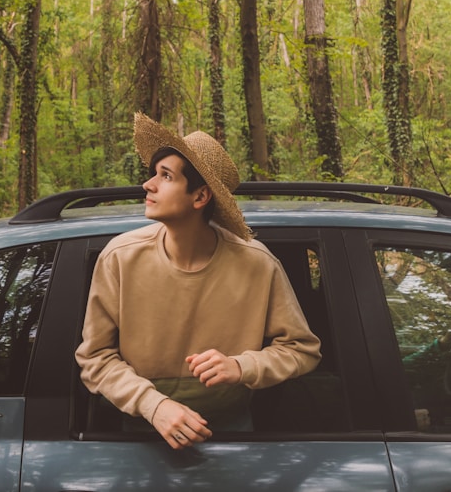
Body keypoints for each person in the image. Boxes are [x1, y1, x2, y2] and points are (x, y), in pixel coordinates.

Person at [75, 112, 321, 449]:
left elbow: (303, 350)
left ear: (200, 196)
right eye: (153, 175)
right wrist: (154, 405)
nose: (148, 184)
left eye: (165, 176)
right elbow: (95, 358)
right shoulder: (119, 257)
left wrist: (241, 366)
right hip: (136, 439)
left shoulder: (257, 263)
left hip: (234, 438)